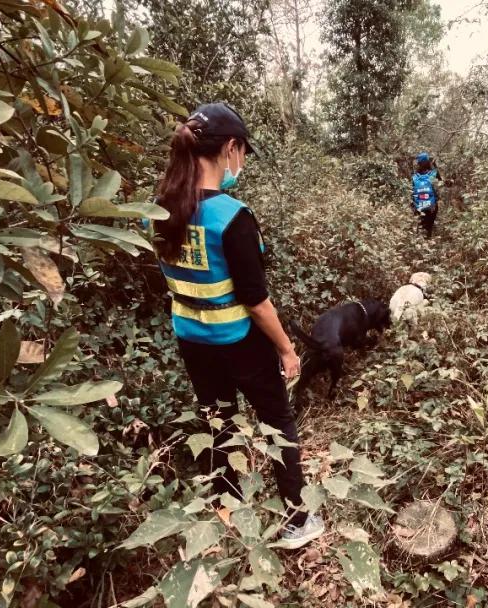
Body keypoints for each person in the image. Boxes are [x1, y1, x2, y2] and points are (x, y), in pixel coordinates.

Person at [152, 102, 324, 549]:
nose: (240, 163)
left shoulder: (158, 209)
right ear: (230, 148)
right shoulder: (232, 216)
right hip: (241, 343)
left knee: (217, 423)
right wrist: (287, 349)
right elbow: (257, 302)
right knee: (276, 422)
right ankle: (296, 521)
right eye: (242, 152)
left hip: (192, 340)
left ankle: (224, 516)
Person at [410, 151, 442, 238]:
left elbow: (411, 192)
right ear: (428, 162)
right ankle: (428, 242)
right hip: (431, 207)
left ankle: (420, 245)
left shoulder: (415, 177)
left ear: (419, 164)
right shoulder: (432, 175)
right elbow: (440, 181)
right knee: (428, 228)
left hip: (419, 207)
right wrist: (434, 166)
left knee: (420, 227)